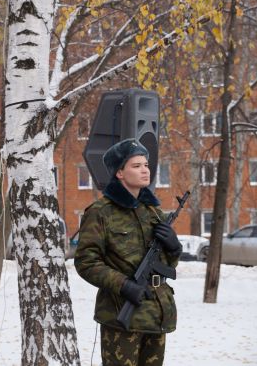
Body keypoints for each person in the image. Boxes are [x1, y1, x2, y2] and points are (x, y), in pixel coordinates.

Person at [74, 138, 182, 366]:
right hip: (121, 314)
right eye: (136, 166)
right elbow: (86, 262)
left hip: (156, 313)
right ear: (120, 173)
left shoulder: (152, 211)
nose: (145, 170)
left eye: (146, 165)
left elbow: (167, 264)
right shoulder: (100, 212)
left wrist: (174, 247)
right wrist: (123, 285)